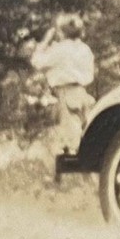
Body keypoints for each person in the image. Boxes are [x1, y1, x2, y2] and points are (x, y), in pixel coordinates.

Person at [30, 13, 96, 159]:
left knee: (69, 140)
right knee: (82, 133)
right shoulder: (85, 49)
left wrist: (45, 42)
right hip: (82, 92)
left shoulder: (60, 49)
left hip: (65, 93)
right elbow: (90, 73)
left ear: (61, 32)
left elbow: (37, 62)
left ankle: (66, 175)